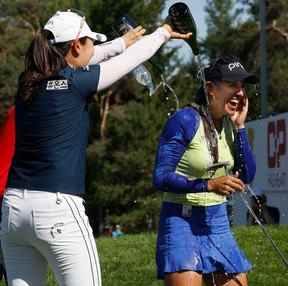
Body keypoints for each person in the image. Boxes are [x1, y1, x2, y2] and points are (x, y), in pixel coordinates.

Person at [0, 9, 191, 286]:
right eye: (91, 42)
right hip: (57, 207)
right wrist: (163, 33)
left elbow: (85, 58)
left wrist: (119, 43)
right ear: (76, 45)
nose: (94, 48)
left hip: (13, 210)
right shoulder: (77, 83)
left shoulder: (27, 80)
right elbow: (128, 62)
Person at [153, 56, 257, 286]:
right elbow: (160, 177)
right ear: (210, 88)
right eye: (232, 85)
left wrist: (240, 127)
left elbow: (247, 176)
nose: (240, 92)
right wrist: (208, 185)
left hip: (217, 221)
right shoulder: (184, 120)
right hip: (181, 219)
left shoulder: (232, 124)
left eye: (242, 86)